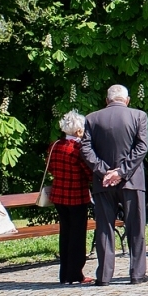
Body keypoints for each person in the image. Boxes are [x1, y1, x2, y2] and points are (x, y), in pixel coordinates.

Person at [80, 85, 148, 285]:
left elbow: (86, 150)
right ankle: (137, 274)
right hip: (132, 180)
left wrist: (104, 171)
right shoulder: (139, 116)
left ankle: (104, 276)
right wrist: (121, 171)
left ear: (107, 100)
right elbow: (141, 148)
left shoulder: (92, 119)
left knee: (104, 228)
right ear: (126, 100)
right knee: (136, 228)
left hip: (103, 182)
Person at [47, 111, 94, 284]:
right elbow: (88, 173)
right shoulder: (78, 149)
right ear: (79, 131)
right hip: (77, 196)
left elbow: (51, 168)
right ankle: (75, 274)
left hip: (59, 196)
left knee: (65, 234)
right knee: (77, 235)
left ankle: (64, 274)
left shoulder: (55, 145)